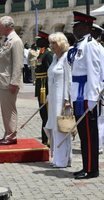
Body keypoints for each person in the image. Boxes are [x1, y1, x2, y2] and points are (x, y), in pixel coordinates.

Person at [68, 11, 103, 179]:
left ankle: (92, 169)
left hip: (86, 95)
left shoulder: (90, 45)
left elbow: (94, 73)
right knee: (83, 134)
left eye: (77, 26)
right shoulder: (80, 45)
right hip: (78, 94)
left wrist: (92, 98)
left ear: (86, 27)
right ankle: (86, 166)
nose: (74, 29)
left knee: (89, 134)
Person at [45, 32, 72, 168]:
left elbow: (69, 79)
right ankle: (57, 157)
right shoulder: (55, 57)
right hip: (54, 97)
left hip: (62, 98)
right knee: (54, 128)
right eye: (51, 43)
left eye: (54, 43)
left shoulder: (67, 57)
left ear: (61, 43)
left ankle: (62, 160)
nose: (52, 46)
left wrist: (67, 99)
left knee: (62, 128)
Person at [0, 16, 24, 145]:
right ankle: (8, 133)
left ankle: (11, 136)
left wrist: (14, 82)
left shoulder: (15, 41)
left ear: (7, 27)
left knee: (9, 109)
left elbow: (18, 64)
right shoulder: (7, 40)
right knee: (5, 110)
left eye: (0, 26)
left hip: (9, 82)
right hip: (4, 81)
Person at [35, 31, 53, 145]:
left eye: (39, 40)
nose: (37, 41)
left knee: (46, 114)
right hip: (40, 86)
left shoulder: (48, 54)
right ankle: (45, 139)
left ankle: (48, 140)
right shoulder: (42, 53)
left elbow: (50, 72)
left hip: (45, 87)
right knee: (43, 115)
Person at [91, 23, 104, 154]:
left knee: (99, 118)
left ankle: (99, 145)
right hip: (96, 88)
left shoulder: (98, 48)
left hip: (99, 89)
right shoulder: (94, 47)